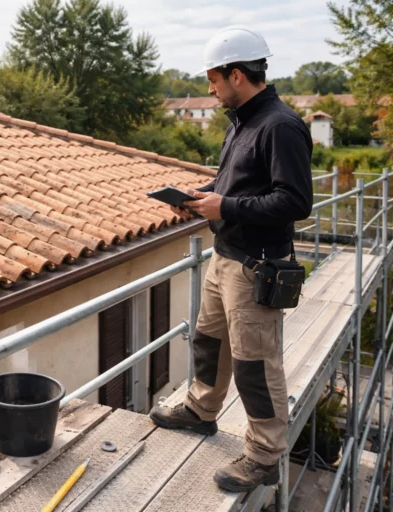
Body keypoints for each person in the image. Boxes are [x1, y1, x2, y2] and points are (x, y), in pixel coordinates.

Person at [148, 26, 313, 493]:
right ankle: (202, 410)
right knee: (209, 342)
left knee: (255, 364)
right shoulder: (242, 121)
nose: (210, 89)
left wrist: (227, 207)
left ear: (237, 74)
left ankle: (264, 454)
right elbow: (243, 189)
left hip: (256, 266)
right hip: (227, 256)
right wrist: (208, 198)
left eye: (214, 79)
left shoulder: (280, 126)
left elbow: (296, 201)